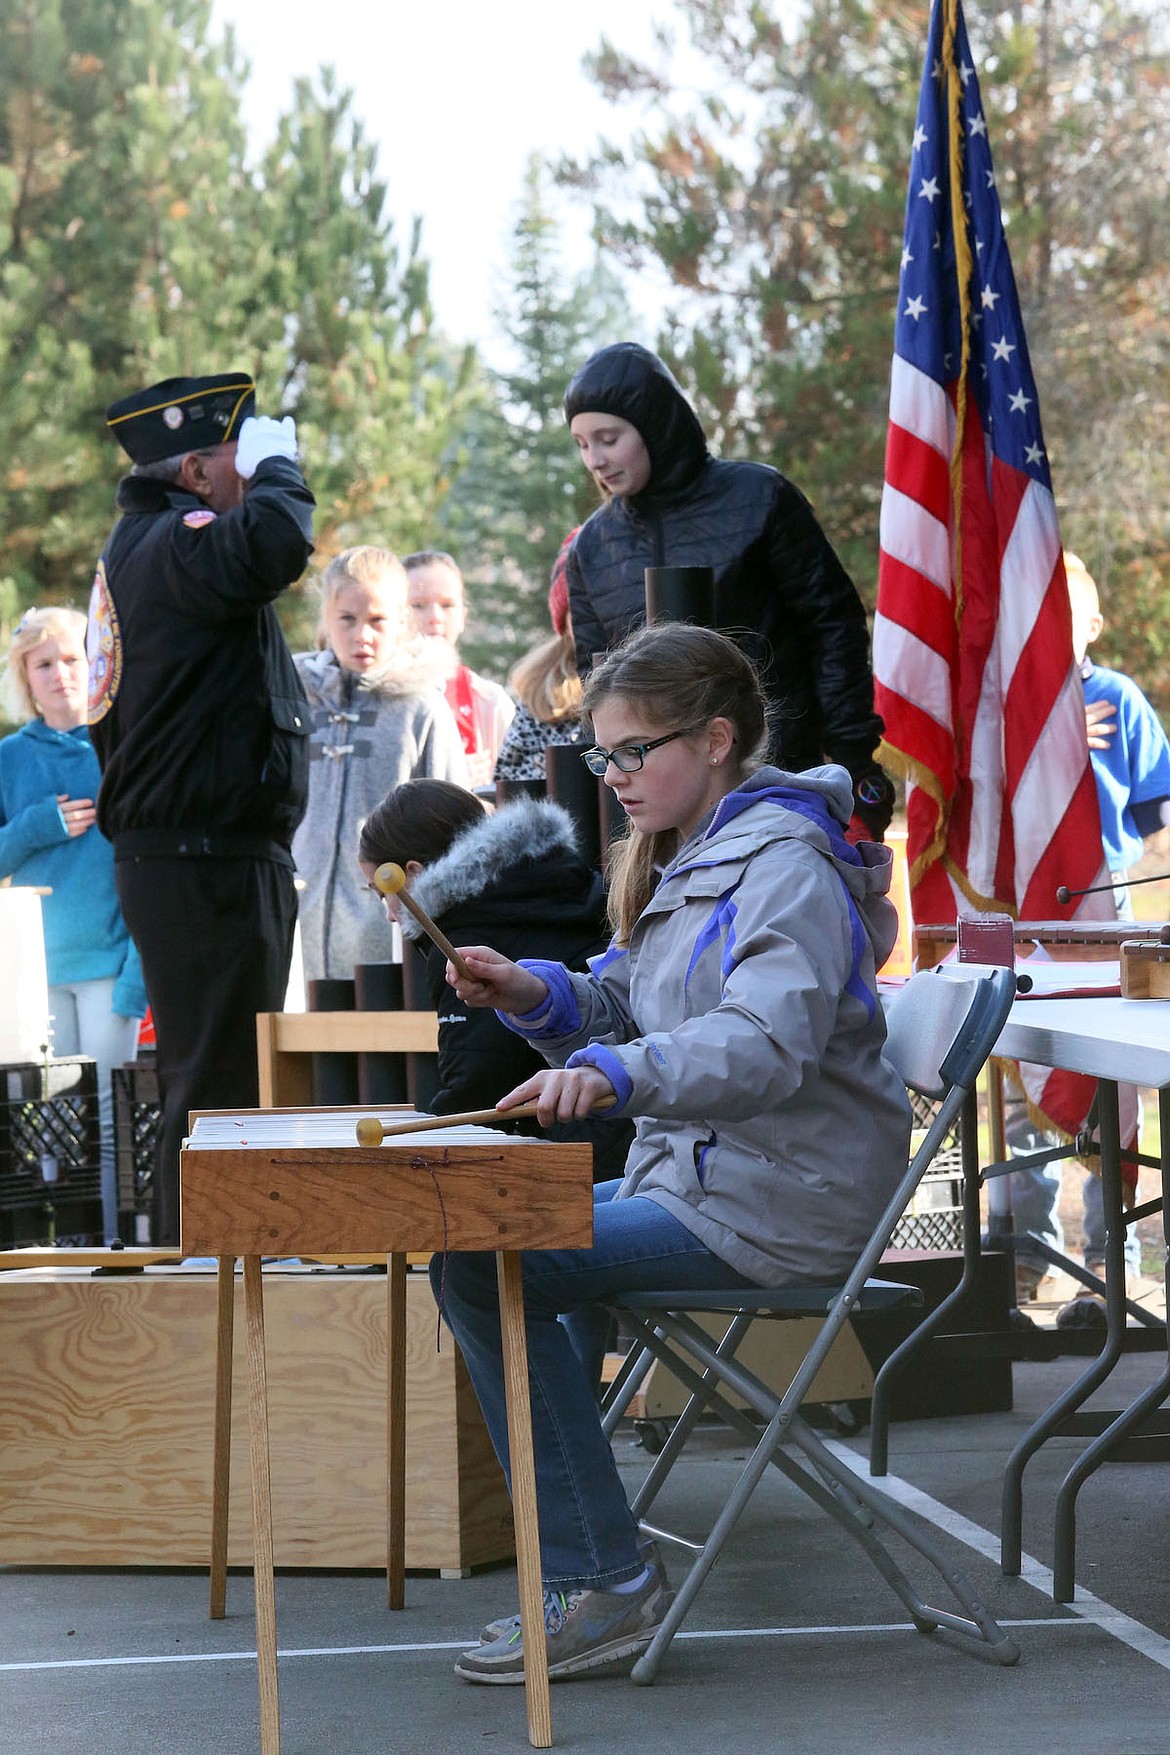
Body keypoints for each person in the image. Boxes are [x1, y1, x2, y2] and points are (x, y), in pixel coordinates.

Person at [430, 623, 911, 1684]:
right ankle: (595, 1561)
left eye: (636, 751)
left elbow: (765, 1043)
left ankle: (603, 1579)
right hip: (708, 1184)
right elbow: (630, 997)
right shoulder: (696, 855)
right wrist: (532, 992)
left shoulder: (781, 863)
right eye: (604, 755)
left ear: (720, 737)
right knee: (496, 1246)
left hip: (782, 1204)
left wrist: (615, 1073)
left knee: (482, 1258)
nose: (616, 777)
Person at [87, 371, 314, 1246]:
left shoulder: (153, 550)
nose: (249, 470)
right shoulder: (179, 544)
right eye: (237, 453)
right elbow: (274, 545)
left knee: (218, 1085)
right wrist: (283, 471)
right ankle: (209, 1291)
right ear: (196, 474)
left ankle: (220, 1278)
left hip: (198, 854)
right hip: (202, 859)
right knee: (217, 1092)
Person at [561, 341, 895, 840]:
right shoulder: (591, 547)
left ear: (655, 426)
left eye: (608, 438)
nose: (595, 460)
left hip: (781, 774)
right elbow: (600, 680)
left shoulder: (759, 499)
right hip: (662, 805)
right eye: (583, 445)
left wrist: (848, 759)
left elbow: (833, 626)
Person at [1011, 552, 1170, 1304]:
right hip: (1023, 920)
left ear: (1094, 627)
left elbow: (1154, 812)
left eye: (1063, 622)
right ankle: (1023, 1253)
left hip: (1109, 914)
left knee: (1112, 1095)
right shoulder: (1000, 710)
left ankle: (1115, 1262)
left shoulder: (1119, 700)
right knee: (1025, 1091)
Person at [357, 777, 632, 1178]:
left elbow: (479, 1095)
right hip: (640, 1133)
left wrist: (400, 1165)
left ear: (412, 874)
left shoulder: (463, 939)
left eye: (383, 894)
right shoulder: (565, 885)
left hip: (570, 1161)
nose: (389, 914)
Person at [0, 607, 146, 1241]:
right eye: (44, 663)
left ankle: (117, 1238)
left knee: (111, 1113)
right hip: (37, 971)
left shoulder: (119, 745)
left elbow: (149, 865)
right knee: (50, 1118)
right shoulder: (9, 759)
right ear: (24, 677)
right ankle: (68, 1237)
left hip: (112, 966)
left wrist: (138, 974)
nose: (60, 674)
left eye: (72, 659)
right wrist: (37, 826)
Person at [292, 547, 467, 983]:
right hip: (299, 921)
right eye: (347, 619)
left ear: (402, 622)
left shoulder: (422, 708)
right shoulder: (293, 701)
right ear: (326, 619)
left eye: (377, 621)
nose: (362, 635)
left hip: (392, 931)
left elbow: (458, 830)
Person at [404, 550, 515, 789]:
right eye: (418, 605)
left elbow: (516, 797)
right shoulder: (373, 698)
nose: (435, 617)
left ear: (463, 616)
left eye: (447, 605)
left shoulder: (490, 703)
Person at [493, 529, 589, 785]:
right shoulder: (545, 691)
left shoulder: (644, 684)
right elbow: (508, 784)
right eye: (578, 609)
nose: (591, 617)